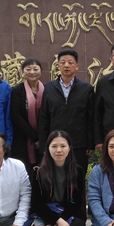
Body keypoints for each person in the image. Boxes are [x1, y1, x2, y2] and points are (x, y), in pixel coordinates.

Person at [39, 49, 94, 215]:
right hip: (55, 145)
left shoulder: (86, 89)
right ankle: (56, 215)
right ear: (58, 66)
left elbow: (91, 118)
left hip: (79, 144)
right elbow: (44, 118)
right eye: (62, 62)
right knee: (55, 179)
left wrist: (90, 143)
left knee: (77, 180)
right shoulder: (49, 88)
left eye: (70, 62)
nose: (66, 65)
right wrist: (44, 144)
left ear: (77, 66)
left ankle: (78, 218)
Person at [30, 130, 90, 226]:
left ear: (69, 148)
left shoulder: (77, 171)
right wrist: (55, 221)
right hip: (45, 216)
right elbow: (37, 204)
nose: (59, 150)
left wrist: (60, 221)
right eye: (54, 146)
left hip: (66, 214)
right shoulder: (39, 172)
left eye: (63, 146)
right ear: (47, 149)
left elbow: (77, 203)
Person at [10, 58, 44, 175]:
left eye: (35, 69)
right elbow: (16, 116)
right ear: (23, 71)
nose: (32, 72)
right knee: (22, 172)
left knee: (40, 172)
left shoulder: (47, 90)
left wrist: (41, 138)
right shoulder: (17, 91)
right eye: (28, 69)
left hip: (42, 140)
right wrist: (34, 137)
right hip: (22, 139)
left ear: (41, 71)